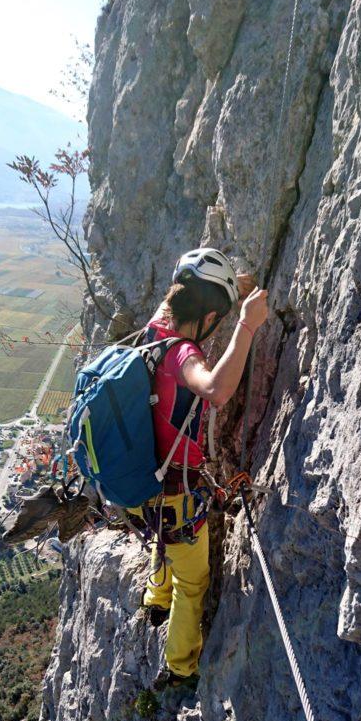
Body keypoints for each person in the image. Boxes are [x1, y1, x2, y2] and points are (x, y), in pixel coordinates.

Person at [128, 248, 268, 690]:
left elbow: (184, 286)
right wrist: (246, 324)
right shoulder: (181, 353)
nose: (220, 326)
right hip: (177, 488)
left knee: (163, 537)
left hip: (145, 480)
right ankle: (181, 666)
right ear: (207, 315)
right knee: (195, 580)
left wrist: (229, 286)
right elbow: (215, 389)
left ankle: (155, 597)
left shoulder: (153, 331)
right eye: (218, 318)